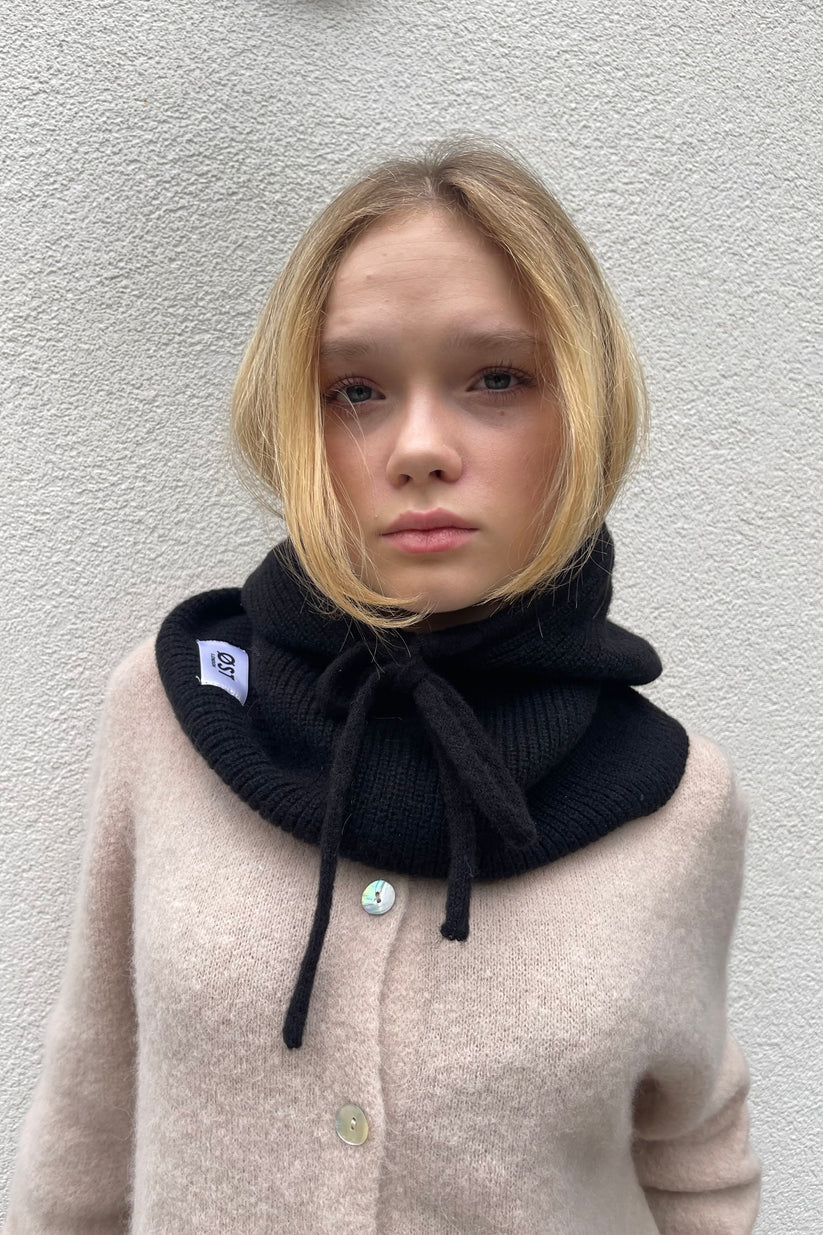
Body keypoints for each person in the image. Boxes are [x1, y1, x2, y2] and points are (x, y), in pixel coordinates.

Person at [3, 135, 762, 1235]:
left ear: (584, 403)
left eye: (495, 378)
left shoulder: (678, 802)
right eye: (354, 390)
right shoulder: (172, 714)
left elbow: (697, 1153)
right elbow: (89, 1106)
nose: (418, 447)